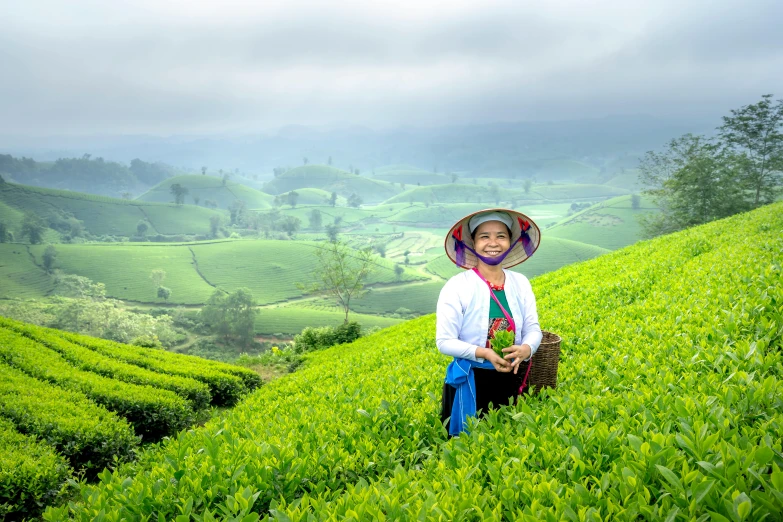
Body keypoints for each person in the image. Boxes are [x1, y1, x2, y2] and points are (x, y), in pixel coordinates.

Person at [437, 208, 543, 436]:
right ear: (472, 243)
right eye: (484, 236)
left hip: (511, 378)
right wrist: (484, 353)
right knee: (467, 451)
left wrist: (526, 348)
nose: (493, 243)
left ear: (510, 242)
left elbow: (533, 328)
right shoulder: (457, 286)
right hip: (471, 380)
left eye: (501, 236)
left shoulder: (521, 283)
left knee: (507, 444)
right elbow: (444, 341)